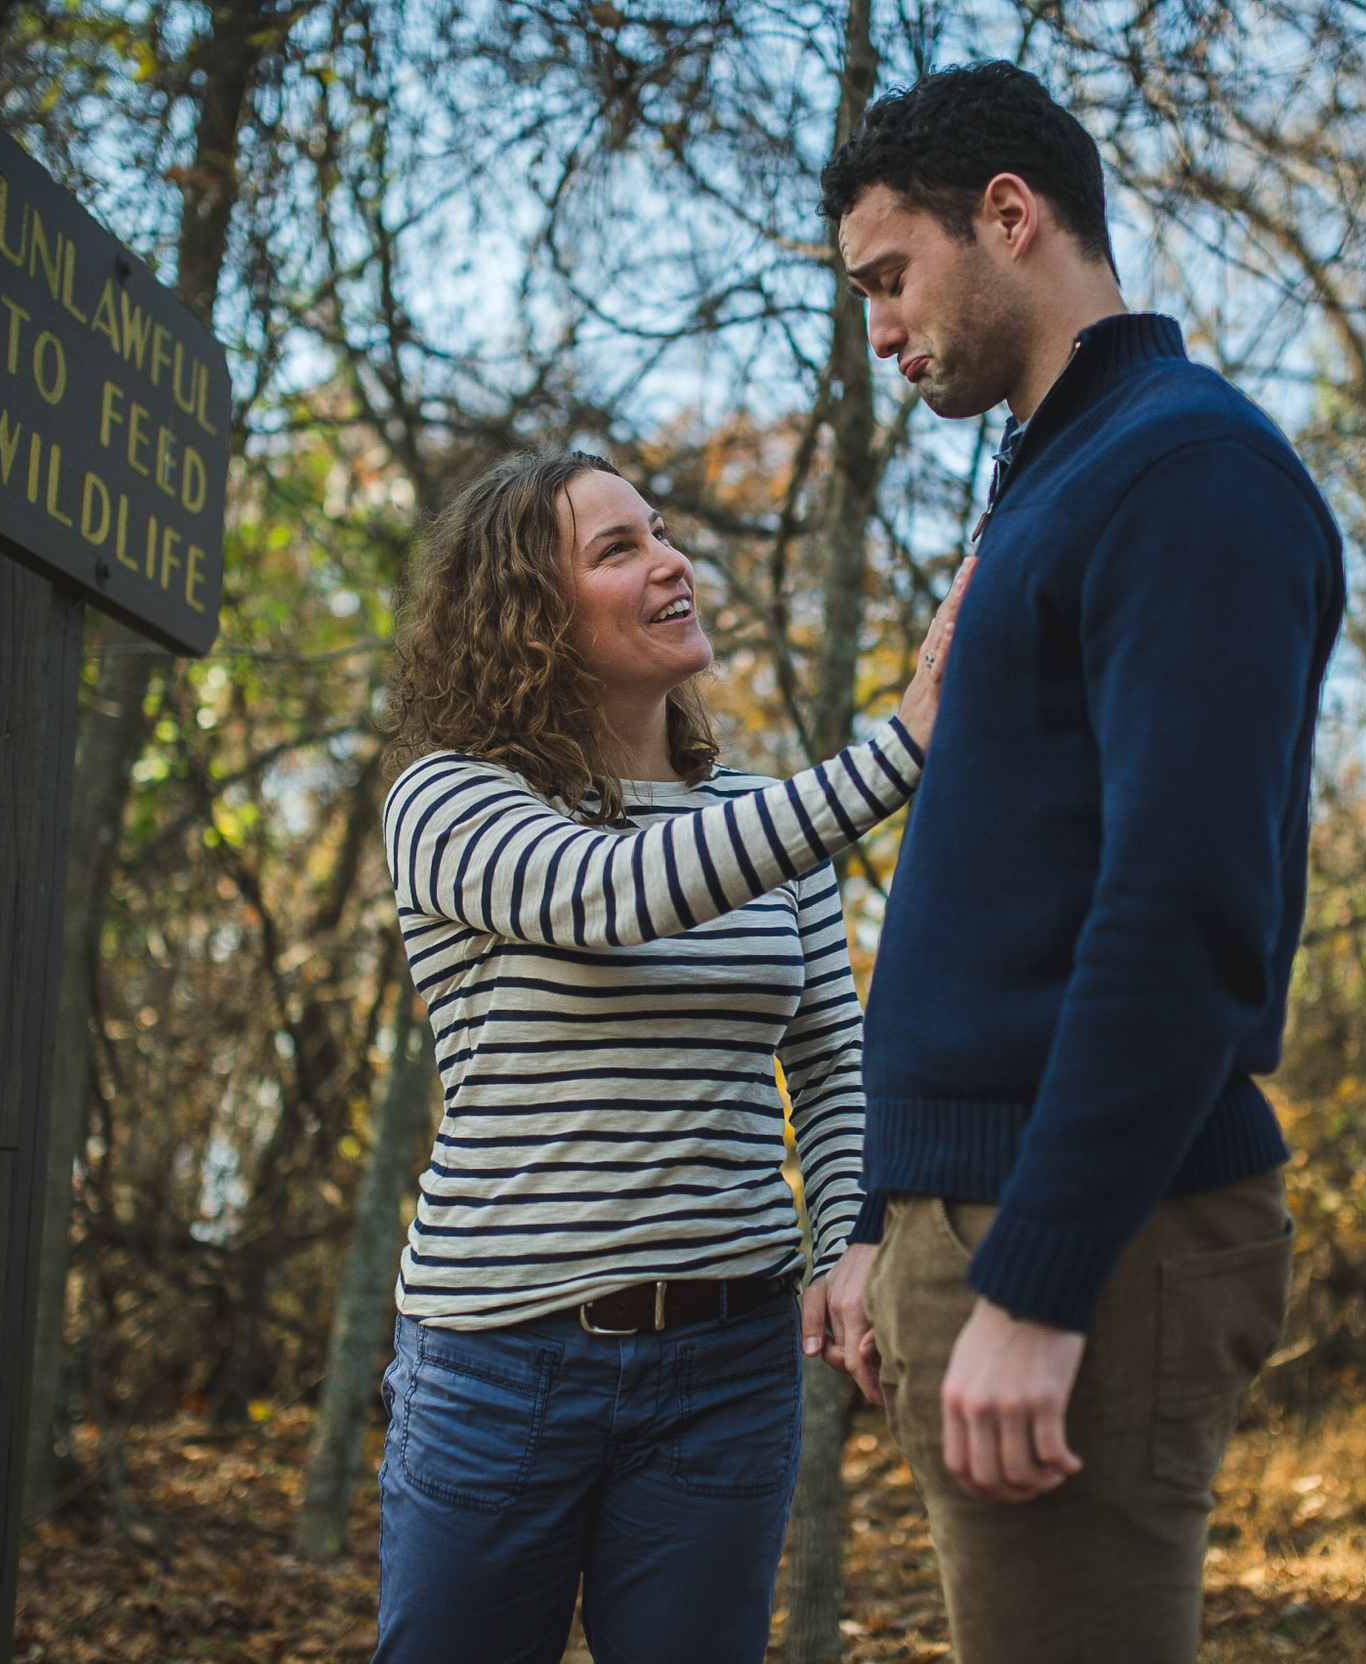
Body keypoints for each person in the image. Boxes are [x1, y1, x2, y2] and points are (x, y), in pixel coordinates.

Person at [811, 62, 1347, 1663]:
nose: (883, 329)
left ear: (1011, 215)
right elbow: (1002, 902)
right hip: (979, 1213)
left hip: (1088, 1241)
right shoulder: (1053, 479)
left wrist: (1036, 1287)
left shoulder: (1187, 474)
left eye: (890, 279)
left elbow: (1186, 909)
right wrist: (879, 1213)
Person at [372, 449, 970, 1664]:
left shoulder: (756, 820)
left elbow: (828, 1060)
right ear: (529, 615)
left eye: (661, 530)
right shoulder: (449, 802)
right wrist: (896, 750)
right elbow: (612, 895)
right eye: (617, 548)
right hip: (500, 1363)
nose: (669, 560)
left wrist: (843, 1239)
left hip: (728, 1365)